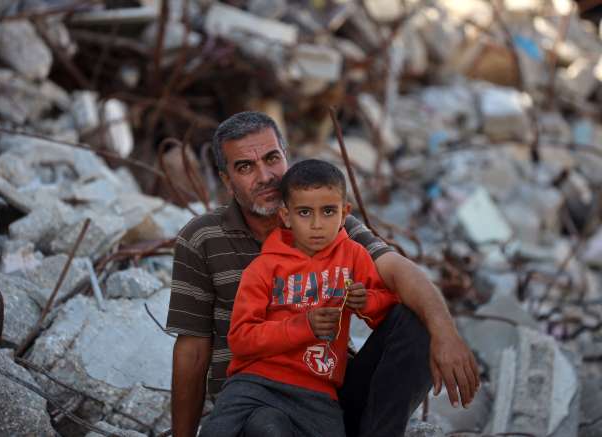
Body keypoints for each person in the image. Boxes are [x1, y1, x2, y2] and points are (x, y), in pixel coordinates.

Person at [166, 111, 479, 437]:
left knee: (419, 318)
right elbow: (193, 349)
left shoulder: (329, 225)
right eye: (245, 167)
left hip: (322, 393)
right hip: (254, 399)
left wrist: (445, 332)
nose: (265, 176)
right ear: (227, 181)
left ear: (286, 157)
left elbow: (398, 271)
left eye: (272, 158)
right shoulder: (202, 238)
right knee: (267, 427)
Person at [199, 159, 400, 437]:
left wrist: (365, 302)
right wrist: (304, 326)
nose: (317, 225)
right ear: (285, 216)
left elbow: (386, 306)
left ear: (344, 213)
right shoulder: (263, 268)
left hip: (317, 390)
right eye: (304, 212)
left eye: (328, 211)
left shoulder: (353, 256)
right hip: (255, 382)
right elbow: (241, 338)